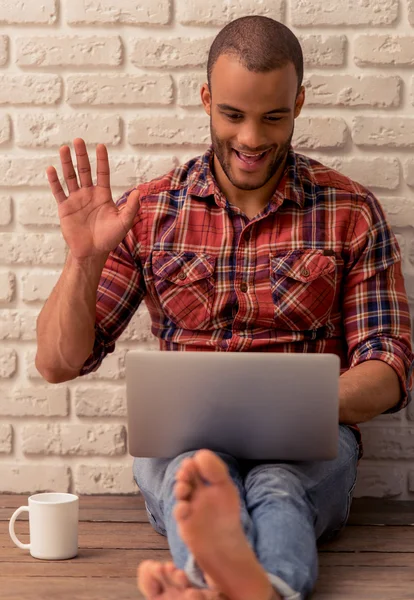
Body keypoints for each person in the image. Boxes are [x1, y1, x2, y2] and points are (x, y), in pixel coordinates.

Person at [35, 15, 414, 600]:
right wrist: (83, 259)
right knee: (200, 479)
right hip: (185, 445)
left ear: (300, 103)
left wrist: (289, 402)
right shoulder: (152, 210)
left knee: (278, 485)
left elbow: (389, 371)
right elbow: (59, 363)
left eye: (273, 117)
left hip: (309, 444)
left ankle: (245, 586)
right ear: (207, 99)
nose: (251, 139)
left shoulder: (351, 211)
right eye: (233, 115)